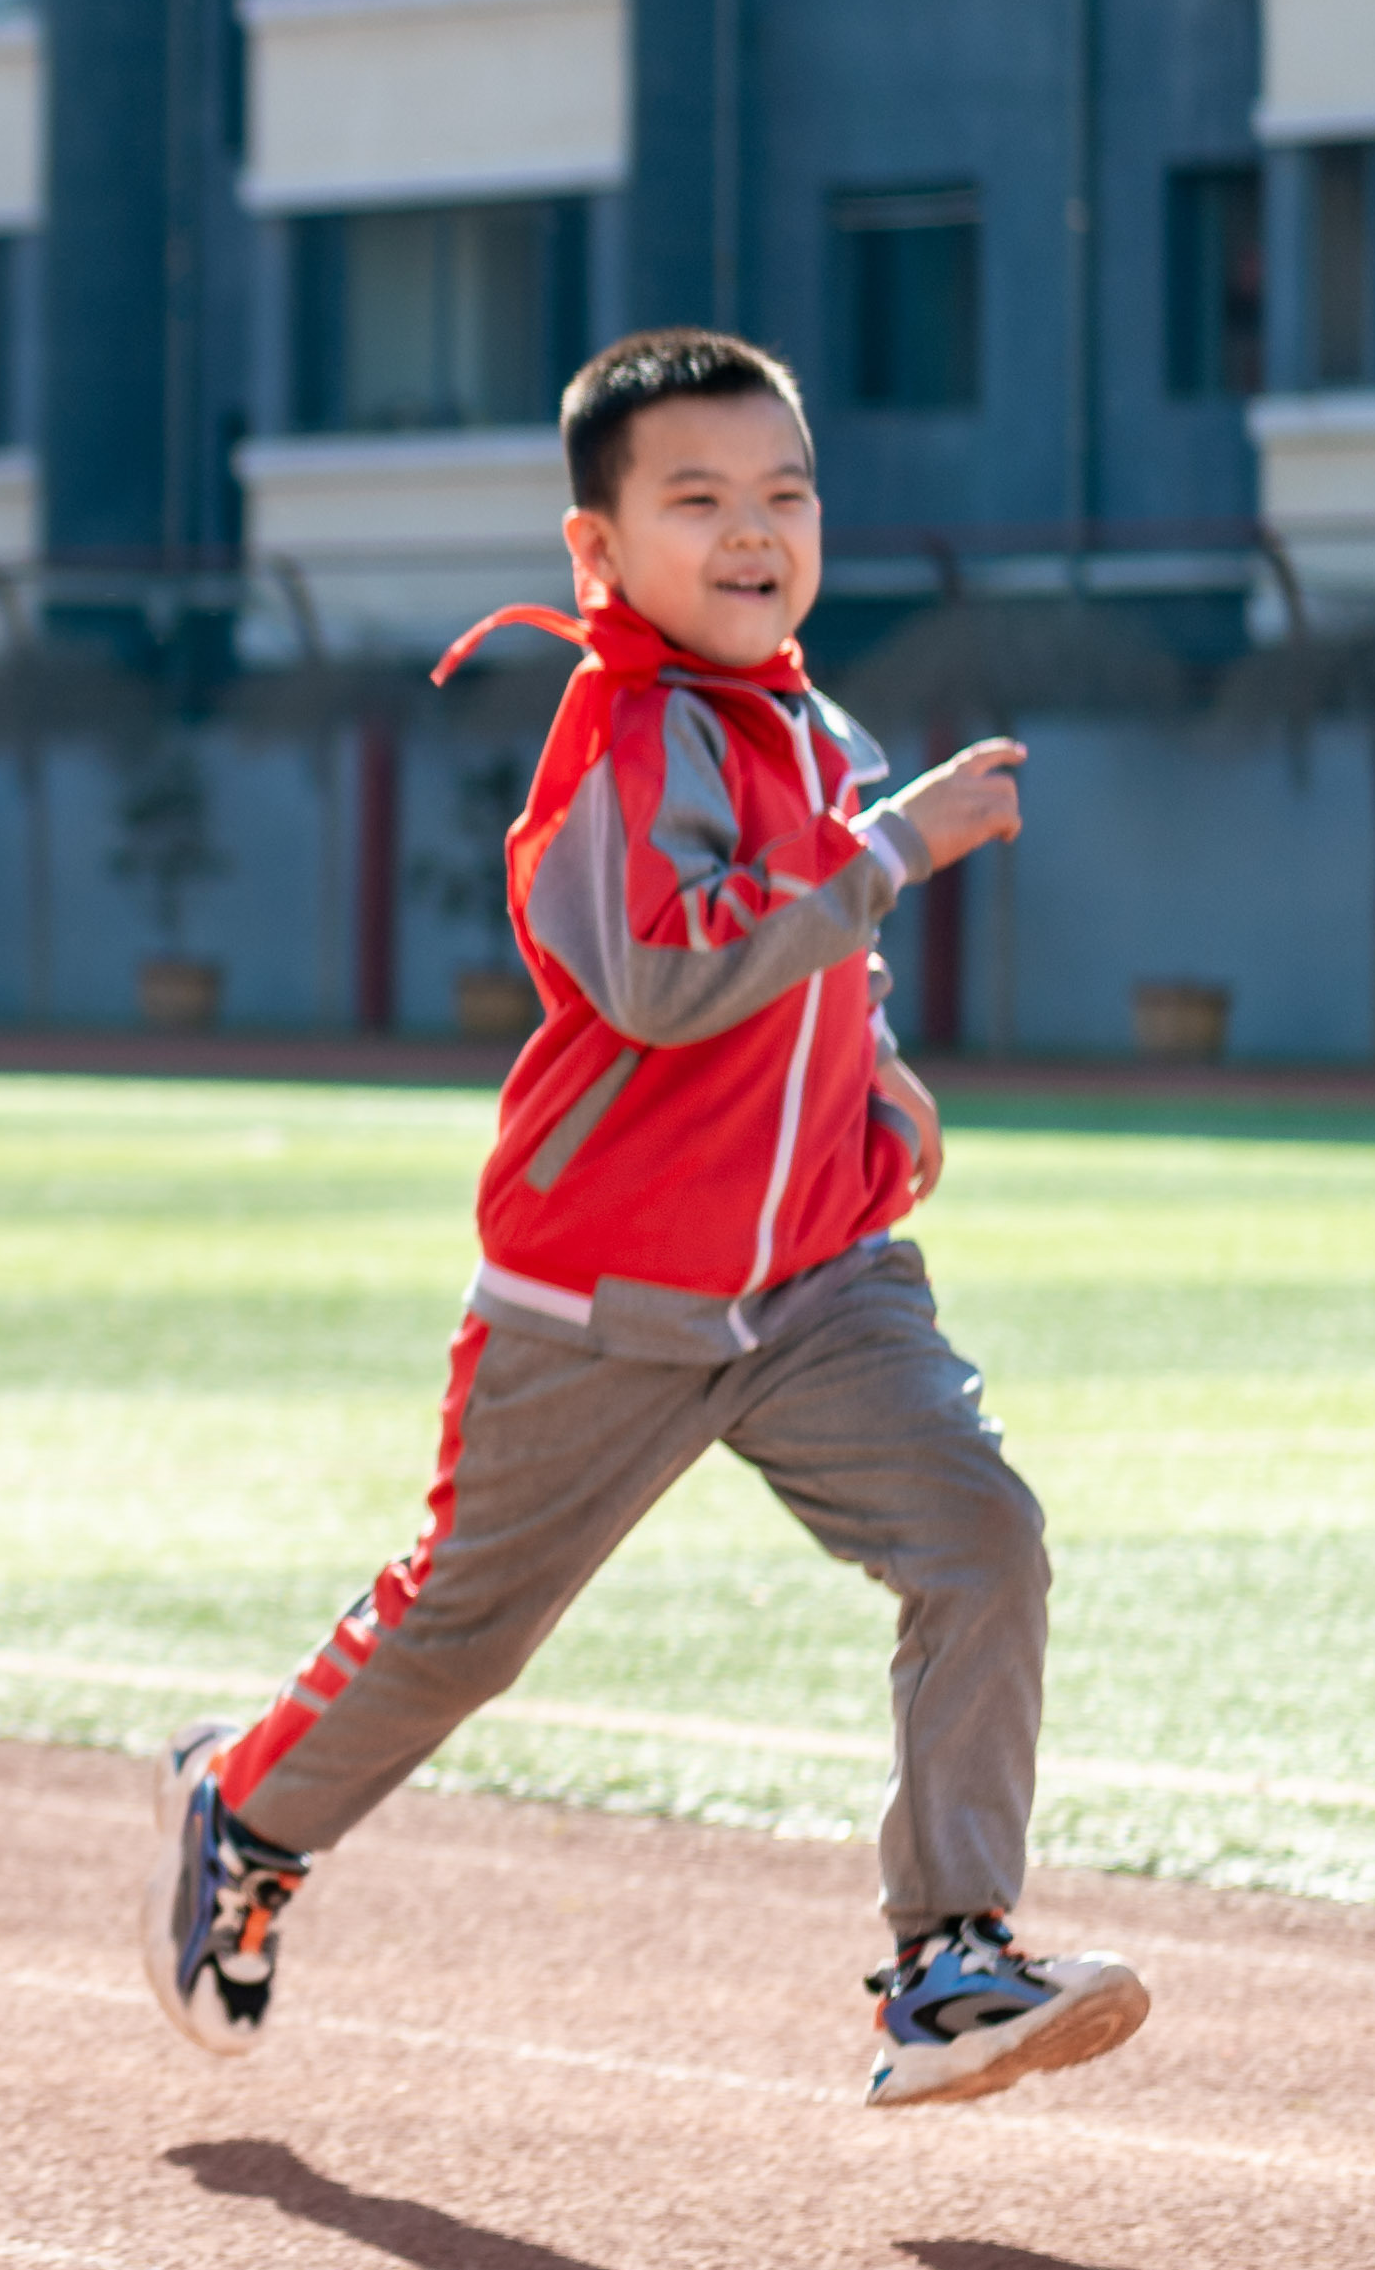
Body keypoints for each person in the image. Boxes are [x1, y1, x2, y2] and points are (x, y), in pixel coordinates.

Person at [149, 327, 1147, 2109]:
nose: (755, 529)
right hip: (606, 1294)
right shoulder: (621, 741)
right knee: (468, 1632)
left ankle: (948, 1963)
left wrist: (882, 1068)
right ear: (598, 554)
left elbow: (822, 962)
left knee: (982, 1537)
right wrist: (896, 851)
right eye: (699, 501)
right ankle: (246, 1814)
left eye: (786, 493)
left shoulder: (811, 724)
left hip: (823, 1283)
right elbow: (674, 977)